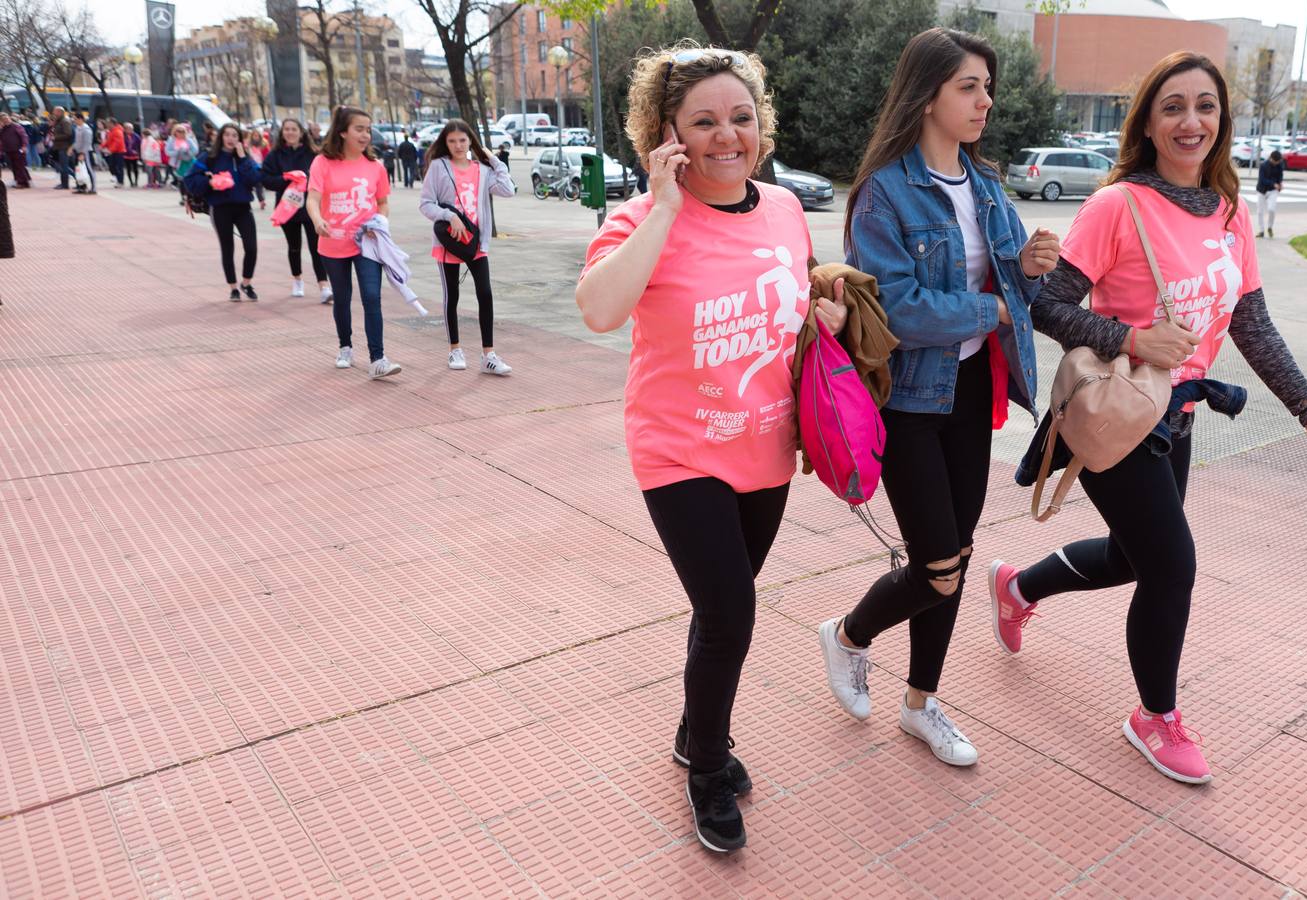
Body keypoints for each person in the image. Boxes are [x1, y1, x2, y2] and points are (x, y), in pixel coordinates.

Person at [985, 50, 1307, 786]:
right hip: (1117, 411)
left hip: (1175, 417)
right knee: (1173, 567)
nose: (1192, 121)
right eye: (1174, 107)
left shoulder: (1227, 210)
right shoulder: (1116, 205)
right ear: (1149, 123)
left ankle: (1017, 588)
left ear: (1222, 120)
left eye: (1206, 107)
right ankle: (1154, 717)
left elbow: (1251, 323)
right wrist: (1128, 337)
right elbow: (1046, 303)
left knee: (1135, 560)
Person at [574, 43, 845, 854]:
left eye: (741, 117)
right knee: (732, 612)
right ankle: (707, 768)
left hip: (765, 443)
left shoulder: (786, 208)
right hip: (679, 451)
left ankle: (695, 730)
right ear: (667, 134)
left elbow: (787, 301)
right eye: (704, 122)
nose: (728, 136)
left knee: (718, 609)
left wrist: (820, 318)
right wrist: (660, 206)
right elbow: (598, 310)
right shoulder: (636, 218)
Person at [816, 27, 1058, 770]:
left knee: (959, 548)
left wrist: (1033, 265)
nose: (985, 100)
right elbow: (899, 310)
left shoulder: (986, 186)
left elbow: (1020, 288)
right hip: (910, 397)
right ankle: (849, 635)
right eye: (968, 87)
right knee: (937, 566)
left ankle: (921, 703)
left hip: (971, 389)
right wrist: (991, 307)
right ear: (927, 96)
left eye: (987, 86)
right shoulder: (884, 193)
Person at [307, 105, 403, 379]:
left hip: (367, 244)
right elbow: (312, 199)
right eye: (359, 129)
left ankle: (378, 359)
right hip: (333, 242)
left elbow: (382, 203)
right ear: (343, 132)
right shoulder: (323, 163)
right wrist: (317, 220)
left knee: (372, 297)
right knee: (343, 298)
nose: (365, 135)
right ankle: (345, 345)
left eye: (368, 130)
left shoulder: (375, 167)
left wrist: (379, 222)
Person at [419, 119, 517, 374]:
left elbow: (508, 190)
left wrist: (492, 159)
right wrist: (448, 216)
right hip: (449, 240)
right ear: (445, 143)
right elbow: (426, 203)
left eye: (463, 140)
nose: (458, 145)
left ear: (471, 141)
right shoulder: (439, 167)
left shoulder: (481, 169)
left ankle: (489, 355)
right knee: (452, 296)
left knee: (485, 294)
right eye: (452, 141)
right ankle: (455, 350)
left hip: (475, 241)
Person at [183, 123, 263, 301]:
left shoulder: (244, 158)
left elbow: (256, 179)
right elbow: (189, 179)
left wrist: (242, 159)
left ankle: (246, 283)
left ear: (240, 139)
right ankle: (233, 288)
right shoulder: (209, 157)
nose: (230, 139)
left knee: (251, 247)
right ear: (221, 137)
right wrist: (209, 183)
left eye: (235, 135)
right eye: (227, 135)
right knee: (227, 248)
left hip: (243, 208)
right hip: (220, 208)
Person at [262, 118, 332, 302]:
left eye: (294, 129)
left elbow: (324, 176)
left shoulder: (313, 153)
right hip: (287, 208)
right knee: (294, 247)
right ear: (282, 133)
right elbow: (266, 179)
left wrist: (306, 180)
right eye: (287, 129)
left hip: (311, 208)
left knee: (316, 247)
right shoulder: (275, 154)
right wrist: (286, 179)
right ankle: (297, 279)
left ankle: (323, 285)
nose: (290, 132)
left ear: (301, 132)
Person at [1254, 148, 1282, 238]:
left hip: (1272, 191)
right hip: (1261, 190)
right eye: (1275, 161)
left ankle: (1270, 227)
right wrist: (1274, 184)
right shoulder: (1263, 165)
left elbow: (1280, 176)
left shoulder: (1280, 165)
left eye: (1278, 161)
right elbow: (1262, 179)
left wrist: (1280, 183)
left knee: (1271, 209)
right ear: (1271, 158)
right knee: (1260, 211)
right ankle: (1261, 231)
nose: (1276, 163)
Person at [0, 114, 29, 188]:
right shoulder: (3, 128)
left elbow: (23, 136)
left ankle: (23, 183)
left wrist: (24, 146)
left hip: (18, 149)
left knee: (19, 166)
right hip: (8, 150)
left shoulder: (16, 126)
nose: (5, 120)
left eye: (6, 118)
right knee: (13, 166)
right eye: (3, 119)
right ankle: (19, 181)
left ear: (9, 118)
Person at [70, 113, 96, 194]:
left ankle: (93, 188)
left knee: (89, 170)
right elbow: (77, 141)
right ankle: (81, 187)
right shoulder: (77, 128)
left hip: (86, 152)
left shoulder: (86, 129)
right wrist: (72, 148)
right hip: (78, 151)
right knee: (79, 170)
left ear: (80, 119)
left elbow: (87, 143)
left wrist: (82, 153)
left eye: (75, 119)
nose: (74, 121)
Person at [50, 108, 74, 189]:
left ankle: (65, 184)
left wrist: (55, 137)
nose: (54, 114)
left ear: (60, 112)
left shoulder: (65, 121)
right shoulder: (59, 121)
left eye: (55, 112)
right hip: (59, 147)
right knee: (62, 165)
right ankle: (63, 183)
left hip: (64, 147)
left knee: (64, 166)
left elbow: (68, 134)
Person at [247, 129, 269, 208]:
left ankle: (262, 199)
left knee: (261, 185)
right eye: (254, 135)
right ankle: (261, 200)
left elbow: (267, 156)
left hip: (262, 167)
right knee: (258, 185)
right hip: (253, 168)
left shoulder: (264, 144)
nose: (256, 137)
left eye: (257, 135)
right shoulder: (248, 146)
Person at [101, 119, 126, 186]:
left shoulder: (117, 131)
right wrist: (102, 146)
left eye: (108, 123)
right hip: (114, 152)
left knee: (118, 167)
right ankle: (118, 180)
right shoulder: (111, 131)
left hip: (119, 152)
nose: (107, 125)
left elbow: (117, 143)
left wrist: (110, 150)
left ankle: (120, 181)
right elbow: (108, 140)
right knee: (113, 166)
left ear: (112, 123)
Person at [141, 121, 165, 187]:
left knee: (152, 172)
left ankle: (154, 183)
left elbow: (156, 150)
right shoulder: (144, 140)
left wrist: (151, 157)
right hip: (148, 158)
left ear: (145, 134)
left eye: (142, 134)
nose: (142, 135)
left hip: (152, 159)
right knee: (153, 171)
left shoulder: (152, 141)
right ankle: (154, 182)